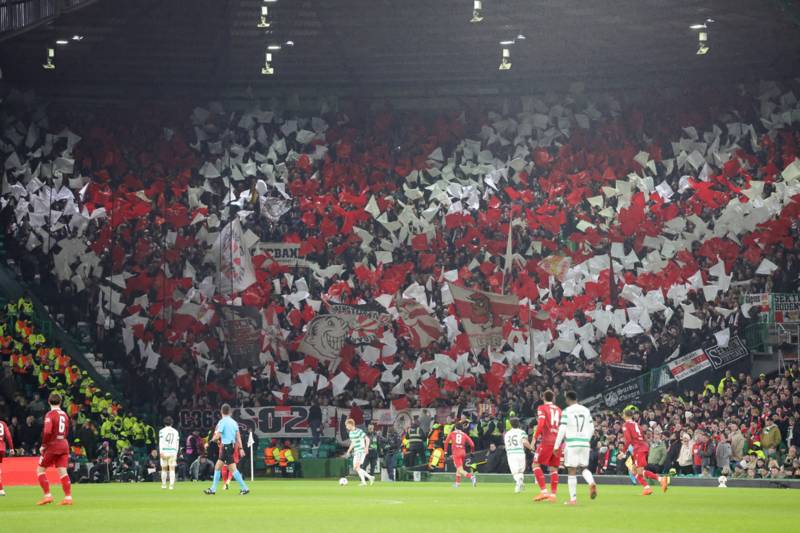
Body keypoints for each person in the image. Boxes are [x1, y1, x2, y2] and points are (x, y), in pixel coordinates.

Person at [553, 391, 597, 505]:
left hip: (572, 443)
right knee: (584, 468)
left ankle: (573, 499)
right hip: (584, 443)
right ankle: (591, 482)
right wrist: (586, 439)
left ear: (567, 400)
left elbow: (562, 429)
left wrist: (556, 446)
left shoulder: (566, 411)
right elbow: (592, 428)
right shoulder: (586, 410)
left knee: (571, 470)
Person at [203, 404, 249, 495]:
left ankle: (244, 488)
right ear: (230, 412)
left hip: (227, 447)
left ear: (221, 412)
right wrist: (240, 448)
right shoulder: (234, 422)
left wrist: (210, 442)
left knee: (233, 468)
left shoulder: (222, 422)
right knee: (218, 467)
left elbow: (218, 435)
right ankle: (213, 489)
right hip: (230, 447)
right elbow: (238, 436)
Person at [36, 392, 72, 506]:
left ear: (48, 401)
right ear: (60, 402)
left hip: (53, 445)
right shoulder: (65, 414)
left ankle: (47, 496)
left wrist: (44, 445)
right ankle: (68, 497)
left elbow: (47, 431)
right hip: (64, 444)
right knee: (62, 471)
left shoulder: (50, 415)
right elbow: (67, 430)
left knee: (40, 470)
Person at [621, 408, 668, 496]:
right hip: (642, 447)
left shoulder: (626, 425)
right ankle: (647, 488)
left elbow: (628, 440)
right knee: (633, 470)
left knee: (639, 471)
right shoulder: (636, 424)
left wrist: (623, 452)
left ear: (625, 415)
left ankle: (661, 479)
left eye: (623, 414)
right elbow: (642, 435)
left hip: (639, 448)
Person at [532, 389, 561, 502]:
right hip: (557, 441)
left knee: (535, 464)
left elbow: (541, 424)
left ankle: (544, 491)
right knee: (554, 468)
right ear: (553, 398)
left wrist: (534, 438)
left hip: (547, 441)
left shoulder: (542, 408)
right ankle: (553, 495)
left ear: (543, 398)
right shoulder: (559, 410)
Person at [503, 417, 532, 493]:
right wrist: (531, 448)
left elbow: (506, 446)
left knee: (515, 472)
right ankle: (520, 485)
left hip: (511, 454)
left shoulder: (507, 434)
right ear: (519, 423)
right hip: (520, 453)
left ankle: (518, 482)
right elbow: (524, 441)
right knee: (520, 471)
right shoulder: (521, 432)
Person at [443, 423, 476, 488]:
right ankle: (457, 484)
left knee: (460, 469)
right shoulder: (464, 434)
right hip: (463, 453)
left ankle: (471, 477)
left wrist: (445, 452)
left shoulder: (452, 433)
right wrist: (472, 452)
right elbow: (472, 445)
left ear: (455, 428)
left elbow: (446, 442)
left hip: (456, 453)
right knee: (459, 468)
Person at [344, 418, 374, 486]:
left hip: (361, 451)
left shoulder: (359, 431)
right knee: (356, 468)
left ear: (350, 424)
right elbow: (353, 443)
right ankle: (368, 479)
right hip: (356, 452)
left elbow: (367, 439)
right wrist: (348, 451)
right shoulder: (351, 433)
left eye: (347, 425)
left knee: (357, 467)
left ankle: (368, 479)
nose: (346, 427)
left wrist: (366, 448)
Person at [158, 416, 179, 490]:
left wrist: (161, 452)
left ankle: (163, 485)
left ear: (164, 423)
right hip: (173, 451)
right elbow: (177, 444)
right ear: (172, 423)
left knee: (164, 469)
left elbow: (161, 442)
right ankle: (171, 486)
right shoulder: (176, 432)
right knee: (172, 469)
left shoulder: (161, 431)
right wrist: (176, 453)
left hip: (164, 451)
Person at [0, 417, 14, 496]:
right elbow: (8, 436)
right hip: (2, 448)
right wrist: (11, 448)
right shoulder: (3, 423)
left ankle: (1, 489)